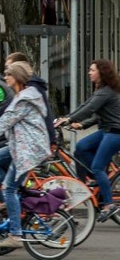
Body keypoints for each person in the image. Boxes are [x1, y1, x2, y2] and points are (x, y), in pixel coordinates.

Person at [0, 61, 50, 249]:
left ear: (18, 77)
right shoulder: (21, 95)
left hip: (27, 149)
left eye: (9, 75)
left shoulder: (24, 99)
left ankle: (16, 235)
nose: (5, 78)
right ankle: (13, 201)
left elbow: (4, 122)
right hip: (19, 146)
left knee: (9, 188)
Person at [56, 59, 120, 222]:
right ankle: (90, 180)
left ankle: (109, 205)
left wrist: (69, 121)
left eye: (92, 70)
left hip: (115, 132)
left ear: (102, 72)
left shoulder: (107, 91)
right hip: (105, 130)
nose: (89, 72)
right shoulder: (101, 90)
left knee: (98, 167)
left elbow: (89, 109)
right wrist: (67, 118)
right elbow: (86, 105)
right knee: (81, 147)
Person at [0, 52, 57, 188]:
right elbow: (9, 112)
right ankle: (16, 192)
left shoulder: (29, 91)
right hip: (20, 140)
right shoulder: (23, 92)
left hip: (27, 143)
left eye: (9, 70)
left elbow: (8, 118)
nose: (5, 75)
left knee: (8, 185)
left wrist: (51, 137)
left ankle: (17, 194)